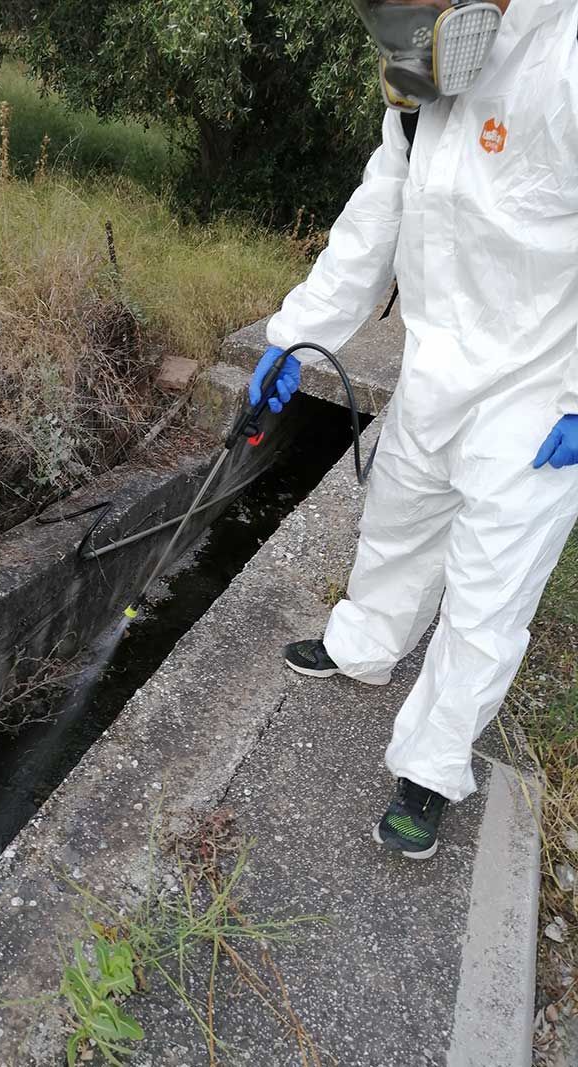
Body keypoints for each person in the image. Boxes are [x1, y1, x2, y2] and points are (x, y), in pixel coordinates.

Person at [250, 0, 578, 860]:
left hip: (541, 392)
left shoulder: (566, 56)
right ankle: (364, 644)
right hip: (438, 365)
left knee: (487, 593)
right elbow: (378, 213)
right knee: (397, 515)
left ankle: (431, 766)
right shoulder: (427, 74)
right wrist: (296, 334)